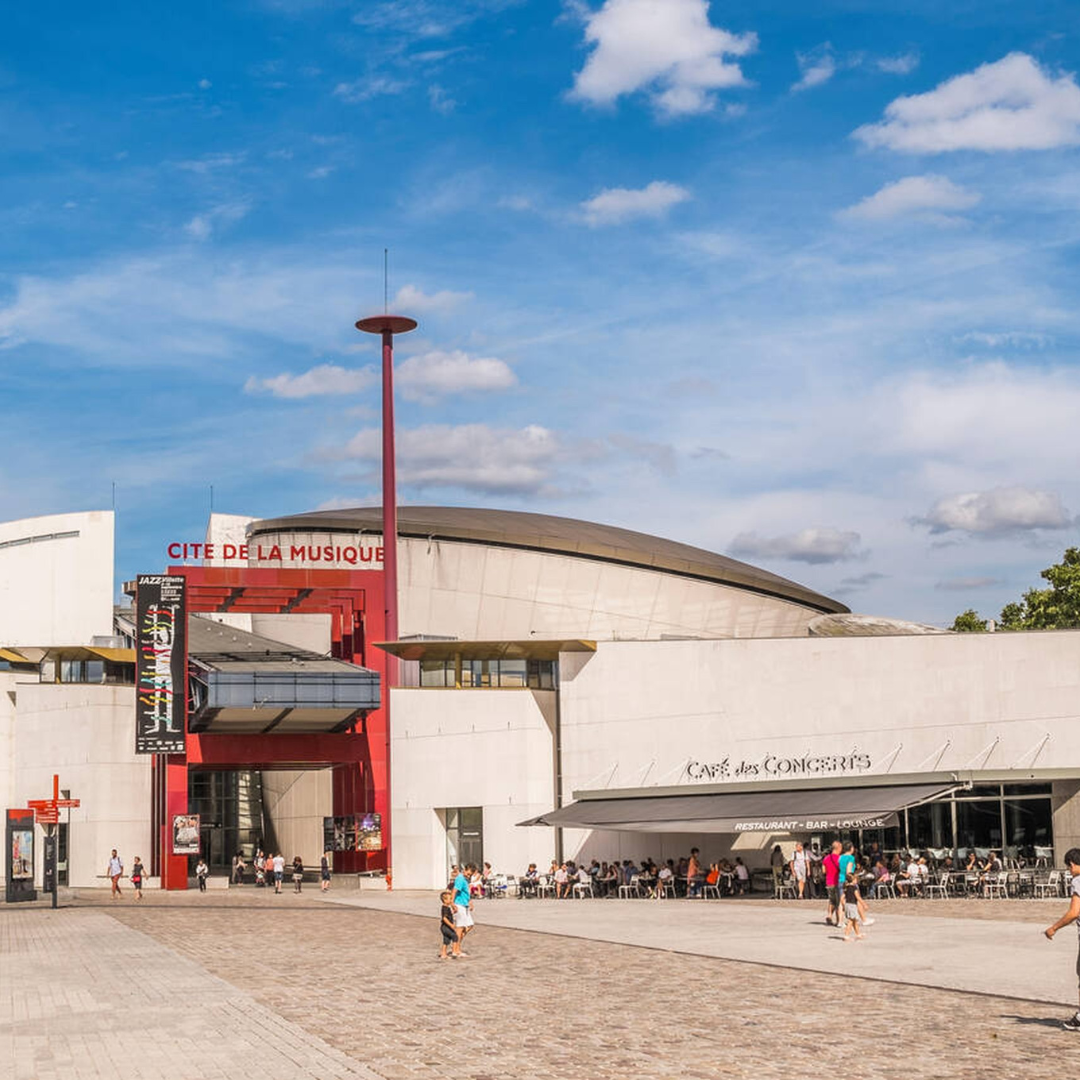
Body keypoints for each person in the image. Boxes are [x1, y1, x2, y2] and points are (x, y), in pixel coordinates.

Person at [1043, 848, 1080, 1031]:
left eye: (1068, 867)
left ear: (1072, 864)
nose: (1069, 870)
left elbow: (1074, 912)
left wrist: (1054, 928)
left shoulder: (1078, 881)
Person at [452, 863, 475, 951]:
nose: (469, 876)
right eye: (468, 874)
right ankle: (455, 950)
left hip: (465, 905)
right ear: (464, 870)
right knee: (460, 927)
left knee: (470, 925)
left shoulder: (465, 880)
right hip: (459, 904)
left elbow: (466, 893)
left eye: (470, 875)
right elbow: (454, 890)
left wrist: (470, 902)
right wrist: (452, 903)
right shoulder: (460, 878)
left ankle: (457, 943)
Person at [822, 841, 842, 925]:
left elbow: (823, 871)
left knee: (831, 900)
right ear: (838, 848)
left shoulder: (826, 858)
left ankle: (829, 915)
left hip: (828, 882)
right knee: (838, 902)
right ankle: (838, 920)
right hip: (837, 881)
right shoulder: (839, 858)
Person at [842, 874, 865, 941]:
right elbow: (858, 897)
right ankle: (846, 936)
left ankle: (858, 934)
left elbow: (842, 898)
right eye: (856, 879)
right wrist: (864, 904)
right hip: (852, 905)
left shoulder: (846, 888)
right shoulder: (854, 888)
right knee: (851, 921)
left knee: (855, 920)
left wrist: (843, 905)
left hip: (847, 904)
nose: (857, 881)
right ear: (853, 880)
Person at [439, 890, 460, 960]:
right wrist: (451, 925)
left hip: (444, 927)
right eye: (450, 899)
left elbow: (448, 916)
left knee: (446, 940)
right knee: (455, 936)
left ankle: (443, 954)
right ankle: (454, 952)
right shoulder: (445, 908)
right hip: (446, 927)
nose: (451, 900)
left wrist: (453, 912)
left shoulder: (446, 908)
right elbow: (444, 918)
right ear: (444, 900)